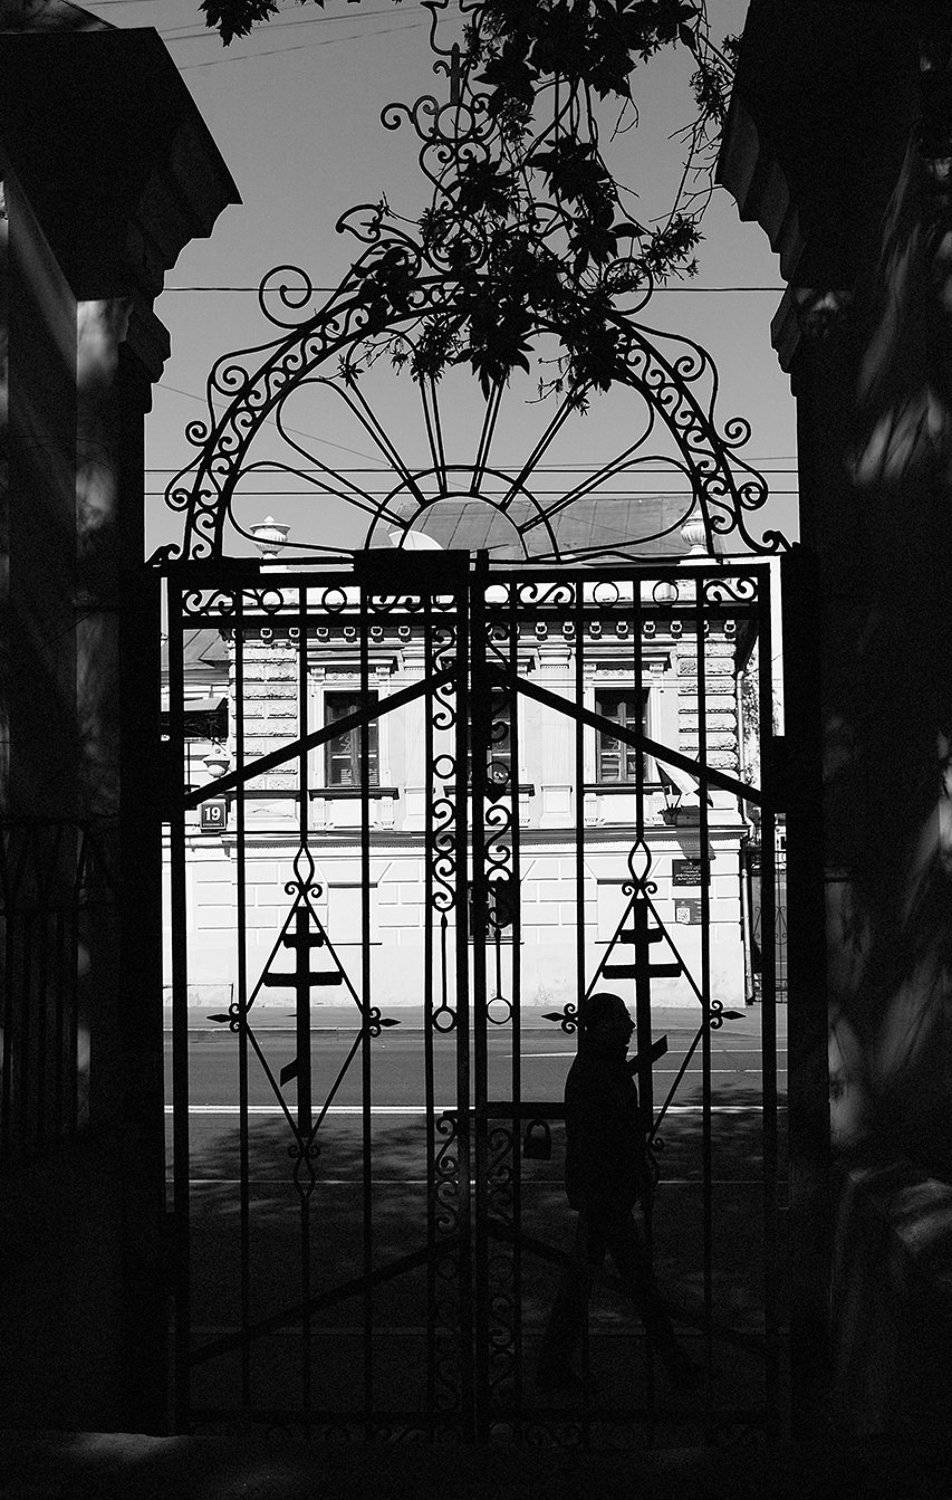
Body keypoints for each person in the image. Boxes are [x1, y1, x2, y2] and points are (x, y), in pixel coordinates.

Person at [536, 990, 696, 1393]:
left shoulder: (601, 1064)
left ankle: (554, 1366)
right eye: (621, 1019)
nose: (630, 1026)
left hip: (606, 1192)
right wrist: (633, 1164)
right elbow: (604, 1132)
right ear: (602, 1025)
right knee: (634, 1283)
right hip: (604, 1193)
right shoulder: (595, 1070)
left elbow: (615, 1104)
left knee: (589, 1282)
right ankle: (674, 1364)